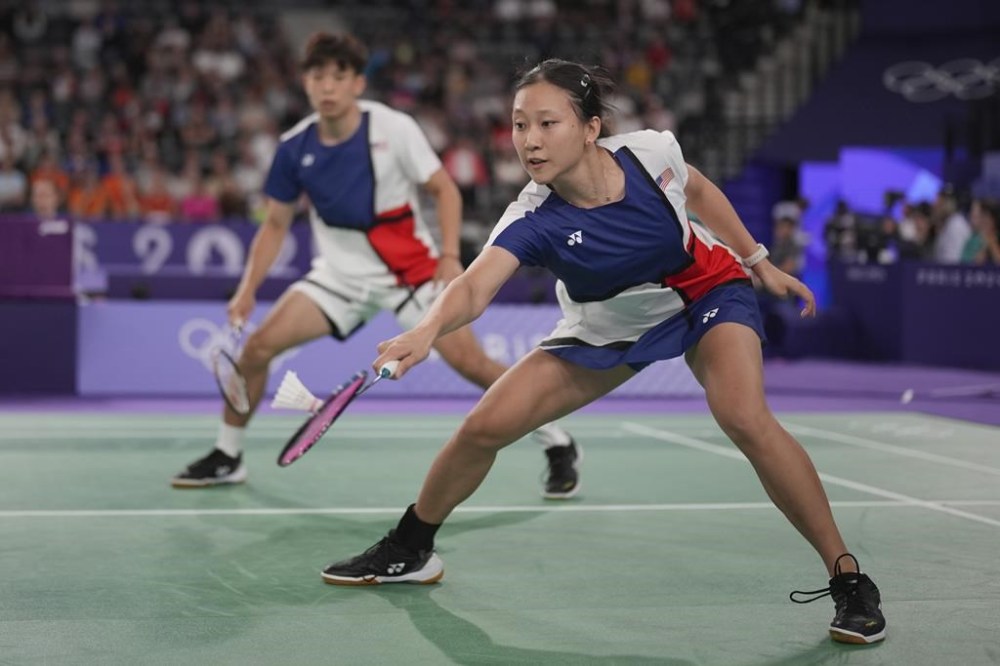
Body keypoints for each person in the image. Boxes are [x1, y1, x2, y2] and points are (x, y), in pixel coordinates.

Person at [321, 59, 887, 646]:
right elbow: (474, 285)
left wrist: (756, 258)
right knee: (483, 426)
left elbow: (695, 188)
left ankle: (848, 578)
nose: (530, 141)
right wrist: (425, 331)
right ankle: (411, 547)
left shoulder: (647, 153)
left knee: (742, 414)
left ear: (590, 127)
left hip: (705, 293)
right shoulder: (533, 216)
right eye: (519, 125)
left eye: (546, 123)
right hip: (609, 327)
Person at [170, 34, 578, 497]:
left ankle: (557, 441)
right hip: (339, 277)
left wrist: (448, 256)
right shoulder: (293, 147)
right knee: (258, 347)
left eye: (338, 77)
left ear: (357, 83)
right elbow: (275, 225)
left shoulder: (393, 127)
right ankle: (228, 454)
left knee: (472, 363)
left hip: (409, 272)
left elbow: (443, 189)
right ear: (305, 83)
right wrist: (246, 289)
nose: (327, 87)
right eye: (317, 76)